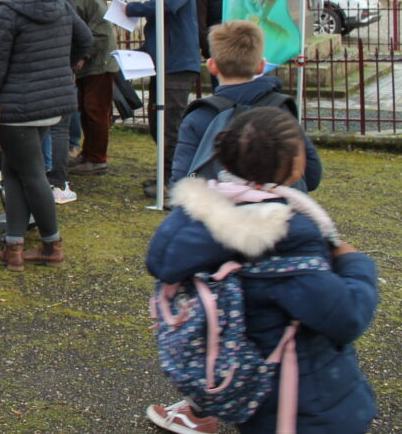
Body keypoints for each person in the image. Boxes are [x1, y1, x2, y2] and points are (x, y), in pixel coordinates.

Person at [146, 107, 378, 434]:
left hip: (249, 384)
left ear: (224, 158)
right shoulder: (287, 240)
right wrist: (356, 264)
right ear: (297, 165)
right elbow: (346, 316)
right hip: (305, 402)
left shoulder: (195, 223)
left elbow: (160, 260)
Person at [0, 0, 91, 271]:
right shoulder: (59, 0)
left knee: (30, 174)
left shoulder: (8, 9)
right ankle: (13, 247)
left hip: (17, 106)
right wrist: (62, 68)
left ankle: (51, 244)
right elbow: (85, 40)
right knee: (15, 172)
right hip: (51, 103)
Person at [169, 20, 322, 190]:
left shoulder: (199, 116)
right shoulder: (281, 109)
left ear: (212, 66)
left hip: (217, 211)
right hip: (276, 210)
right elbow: (312, 174)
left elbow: (181, 182)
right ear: (261, 66)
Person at [125, 0, 200, 192]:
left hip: (176, 67)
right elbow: (159, 36)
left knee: (170, 124)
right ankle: (165, 174)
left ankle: (173, 180)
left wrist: (131, 8)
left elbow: (166, 6)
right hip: (165, 66)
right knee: (158, 124)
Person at [58, 0, 119, 177]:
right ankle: (88, 153)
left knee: (96, 110)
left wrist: (84, 53)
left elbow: (103, 29)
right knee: (86, 109)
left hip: (99, 62)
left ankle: (97, 158)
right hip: (90, 61)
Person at [35, 0, 79, 204]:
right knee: (59, 129)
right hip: (61, 71)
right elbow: (79, 36)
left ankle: (43, 179)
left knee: (44, 128)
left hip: (40, 72)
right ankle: (59, 182)